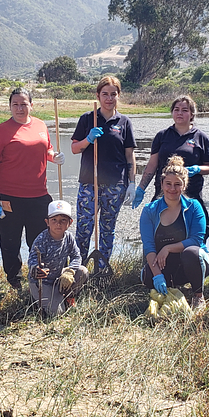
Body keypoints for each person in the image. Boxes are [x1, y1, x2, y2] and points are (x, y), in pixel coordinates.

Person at [0, 87, 65, 289]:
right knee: (10, 243)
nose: (19, 108)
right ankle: (14, 281)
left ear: (31, 104)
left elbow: (45, 150)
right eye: (15, 104)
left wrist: (53, 156)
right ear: (10, 106)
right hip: (9, 197)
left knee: (39, 241)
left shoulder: (40, 125)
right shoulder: (1, 131)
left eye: (23, 104)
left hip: (39, 196)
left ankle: (39, 279)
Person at [70, 76, 137, 276]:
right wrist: (88, 139)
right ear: (98, 95)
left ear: (118, 96)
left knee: (107, 229)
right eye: (105, 94)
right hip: (89, 183)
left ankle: (102, 270)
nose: (109, 98)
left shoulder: (124, 122)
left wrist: (132, 183)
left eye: (113, 94)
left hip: (115, 185)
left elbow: (129, 155)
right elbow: (74, 148)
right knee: (84, 227)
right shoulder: (87, 119)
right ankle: (77, 268)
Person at [134, 95, 209, 240]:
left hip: (191, 195)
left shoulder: (201, 138)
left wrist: (197, 169)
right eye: (176, 109)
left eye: (185, 110)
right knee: (155, 235)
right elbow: (152, 164)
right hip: (164, 193)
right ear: (172, 112)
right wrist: (141, 188)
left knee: (195, 235)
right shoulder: (162, 136)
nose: (180, 113)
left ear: (191, 114)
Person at [140, 156, 209, 311]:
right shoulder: (149, 210)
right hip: (166, 264)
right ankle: (169, 286)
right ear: (161, 184)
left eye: (177, 184)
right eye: (168, 184)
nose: (172, 189)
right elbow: (149, 246)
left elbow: (196, 240)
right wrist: (157, 275)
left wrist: (168, 248)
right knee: (147, 276)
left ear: (184, 185)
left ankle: (198, 296)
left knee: (191, 253)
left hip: (194, 262)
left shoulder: (194, 207)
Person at [27, 200, 88, 316]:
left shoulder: (69, 238)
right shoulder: (41, 240)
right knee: (57, 313)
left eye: (63, 220)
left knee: (83, 271)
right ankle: (35, 295)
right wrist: (36, 269)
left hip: (58, 278)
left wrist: (70, 271)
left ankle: (69, 296)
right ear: (47, 222)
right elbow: (32, 260)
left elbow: (76, 256)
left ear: (70, 223)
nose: (58, 224)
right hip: (42, 282)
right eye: (54, 220)